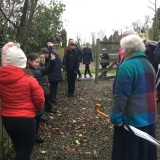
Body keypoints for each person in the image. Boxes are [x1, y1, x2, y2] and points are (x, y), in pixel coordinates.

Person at [110, 35, 157, 160]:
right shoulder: (149, 65)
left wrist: (115, 117)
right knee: (145, 154)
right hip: (149, 119)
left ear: (126, 49)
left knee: (129, 154)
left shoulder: (126, 67)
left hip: (130, 122)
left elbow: (120, 96)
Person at [0, 42, 44, 160]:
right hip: (26, 120)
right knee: (25, 151)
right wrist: (34, 109)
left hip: (7, 119)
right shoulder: (30, 80)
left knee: (19, 147)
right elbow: (40, 100)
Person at [27, 52, 56, 143]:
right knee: (32, 118)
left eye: (38, 62)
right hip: (30, 97)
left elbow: (47, 70)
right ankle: (31, 135)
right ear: (29, 61)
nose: (38, 64)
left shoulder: (39, 70)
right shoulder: (26, 71)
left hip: (38, 95)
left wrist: (52, 61)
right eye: (36, 62)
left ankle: (35, 134)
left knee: (38, 115)